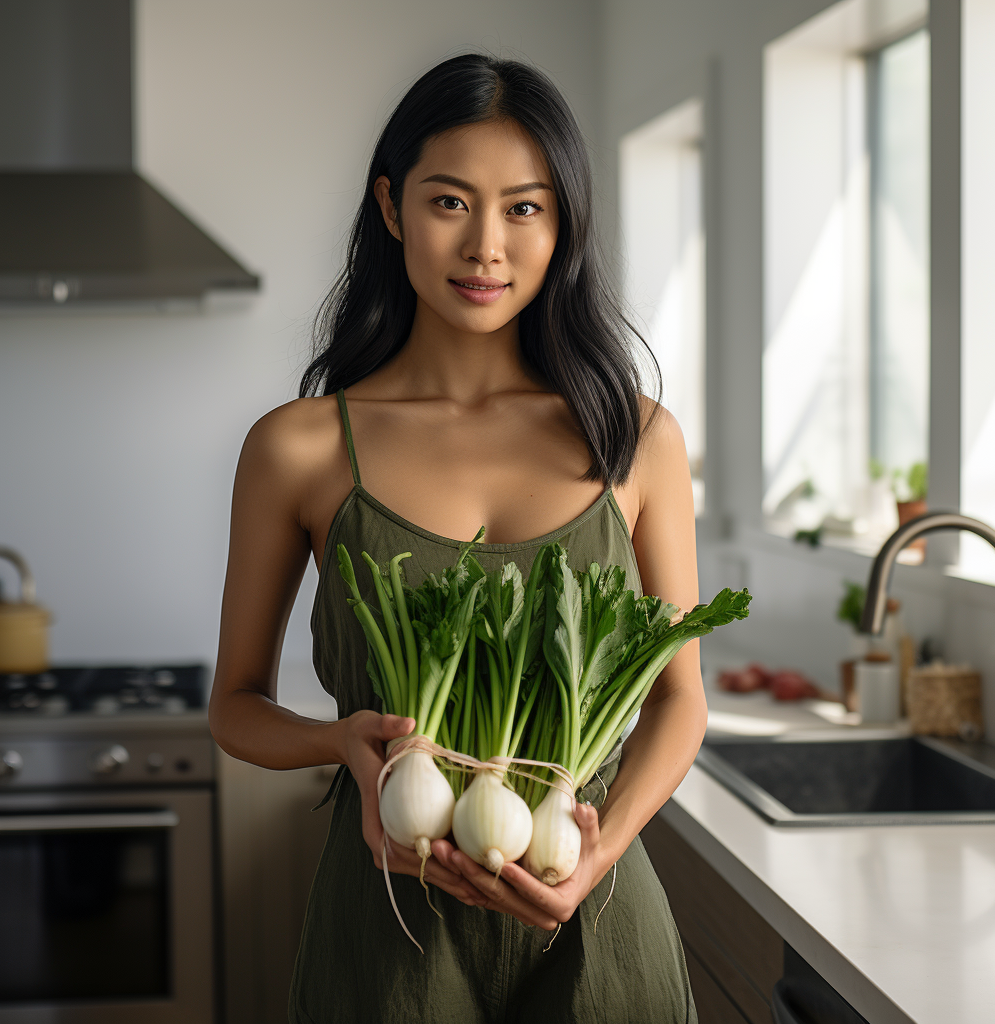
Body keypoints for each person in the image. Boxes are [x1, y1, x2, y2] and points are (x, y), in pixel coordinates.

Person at [208, 51, 706, 1024]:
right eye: (450, 203)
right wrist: (341, 745)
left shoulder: (637, 438)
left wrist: (593, 855)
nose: (486, 245)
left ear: (562, 224)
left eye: (524, 207)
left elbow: (680, 702)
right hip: (388, 928)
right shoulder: (298, 448)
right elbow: (233, 706)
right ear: (392, 207)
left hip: (596, 923)